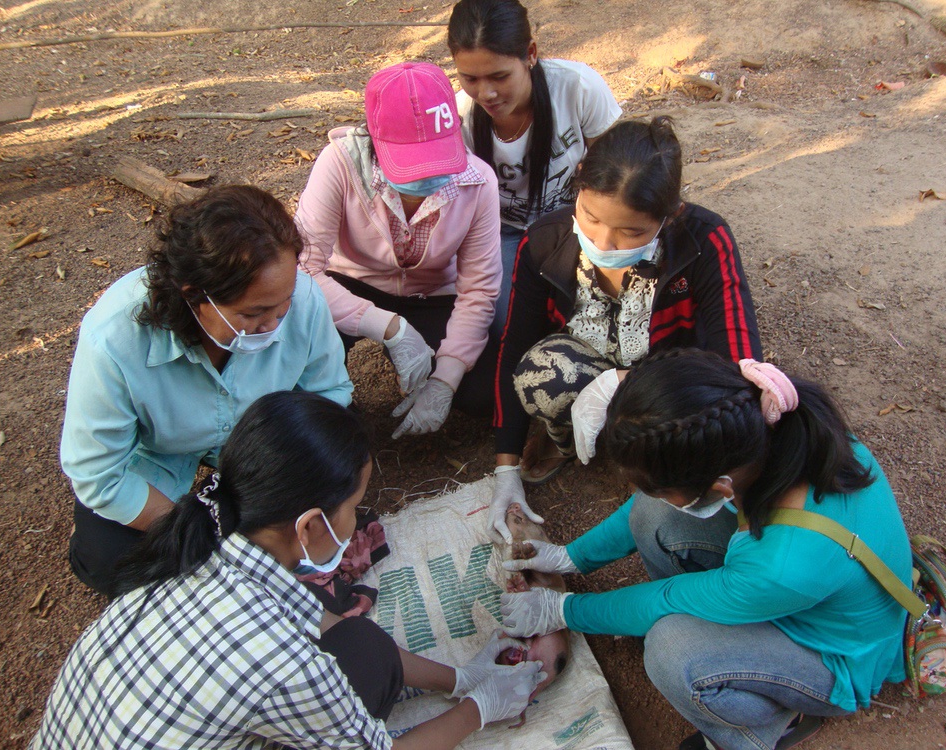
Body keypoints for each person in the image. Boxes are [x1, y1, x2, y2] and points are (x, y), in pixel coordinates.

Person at [34, 392, 545, 748]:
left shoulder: (202, 547)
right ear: (309, 526)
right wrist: (481, 707)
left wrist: (462, 677)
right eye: (354, 505)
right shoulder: (280, 658)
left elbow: (329, 625)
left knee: (363, 647)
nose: (359, 519)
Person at [498, 349, 912, 750]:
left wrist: (564, 610)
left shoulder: (783, 563)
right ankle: (719, 625)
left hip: (833, 659)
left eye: (661, 488)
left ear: (719, 488)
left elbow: (668, 600)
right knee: (651, 515)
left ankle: (768, 728)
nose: (645, 495)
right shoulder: (763, 426)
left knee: (673, 650)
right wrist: (572, 556)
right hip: (801, 589)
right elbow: (658, 483)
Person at [60, 185, 352, 598]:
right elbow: (98, 473)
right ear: (194, 296)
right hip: (158, 454)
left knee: (315, 515)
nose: (274, 325)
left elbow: (328, 395)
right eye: (253, 313)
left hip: (257, 437)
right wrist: (199, 532)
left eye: (282, 306)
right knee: (112, 557)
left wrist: (289, 478)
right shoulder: (114, 339)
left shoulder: (301, 298)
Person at [487, 118, 762, 544]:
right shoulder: (544, 242)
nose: (604, 242)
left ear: (671, 216)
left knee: (704, 419)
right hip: (586, 363)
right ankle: (572, 443)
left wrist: (627, 381)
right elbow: (515, 347)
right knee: (540, 374)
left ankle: (646, 458)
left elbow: (739, 366)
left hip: (672, 385)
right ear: (578, 184)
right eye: (591, 217)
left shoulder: (706, 240)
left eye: (631, 231)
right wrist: (504, 470)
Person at [296, 61, 501, 437]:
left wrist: (446, 380)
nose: (428, 177)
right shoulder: (340, 163)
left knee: (481, 394)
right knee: (300, 370)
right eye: (412, 165)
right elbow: (304, 270)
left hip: (432, 292)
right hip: (350, 282)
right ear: (376, 141)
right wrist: (389, 327)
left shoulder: (480, 182)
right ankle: (335, 405)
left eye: (439, 159)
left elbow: (479, 289)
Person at [448, 0, 622, 334]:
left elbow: (617, 168)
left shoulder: (578, 87)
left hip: (577, 223)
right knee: (503, 325)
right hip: (502, 231)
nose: (486, 93)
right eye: (470, 78)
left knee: (597, 317)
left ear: (530, 53)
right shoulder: (460, 117)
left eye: (500, 76)